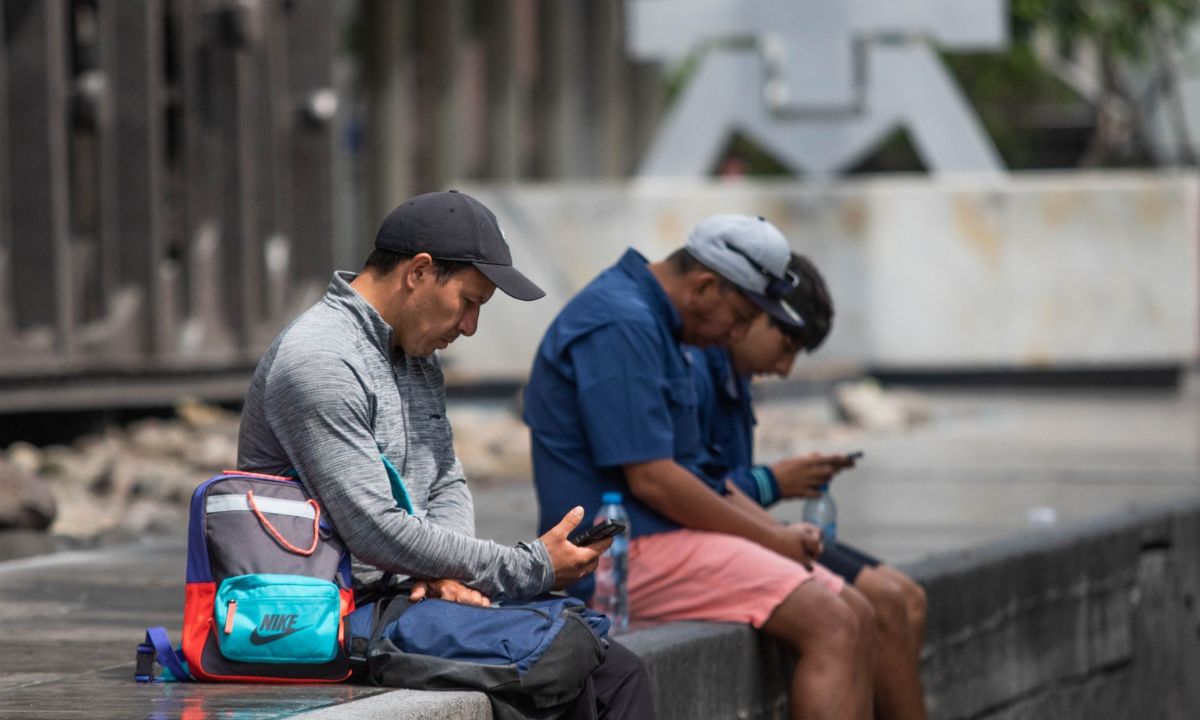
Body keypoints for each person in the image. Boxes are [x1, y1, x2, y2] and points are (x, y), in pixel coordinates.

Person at [236, 190, 654, 719]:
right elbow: (375, 529)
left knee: (615, 669)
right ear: (419, 272)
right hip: (323, 614)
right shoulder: (320, 360)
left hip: (401, 598)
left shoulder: (415, 357)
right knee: (560, 665)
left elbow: (445, 482)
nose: (471, 326)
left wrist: (449, 575)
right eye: (469, 302)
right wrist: (529, 567)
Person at [524, 215, 877, 720]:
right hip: (612, 554)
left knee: (859, 613)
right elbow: (655, 480)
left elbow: (701, 477)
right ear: (705, 285)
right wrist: (774, 541)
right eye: (740, 317)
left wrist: (776, 533)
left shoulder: (662, 326)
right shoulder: (621, 321)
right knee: (833, 622)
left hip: (667, 540)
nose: (737, 333)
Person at [692, 252, 929, 720]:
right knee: (874, 603)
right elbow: (691, 484)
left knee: (909, 598)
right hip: (700, 536)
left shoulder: (732, 375)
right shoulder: (696, 362)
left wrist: (774, 485)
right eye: (786, 345)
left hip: (734, 526)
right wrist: (773, 481)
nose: (784, 367)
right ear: (753, 311)